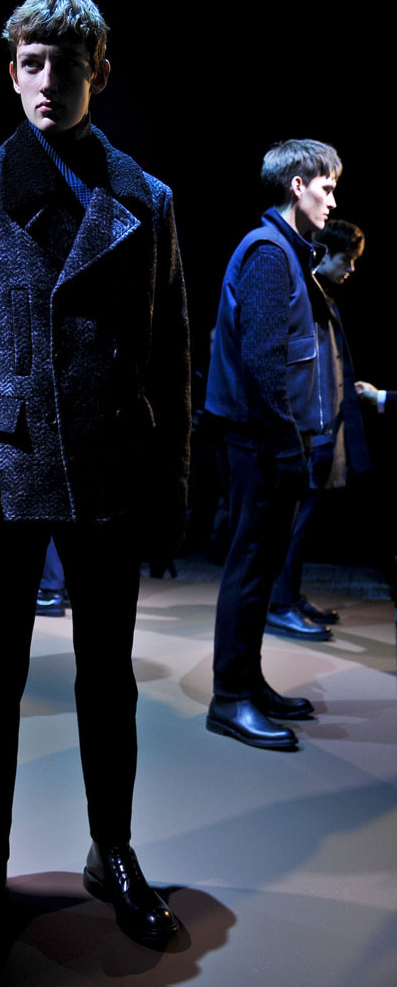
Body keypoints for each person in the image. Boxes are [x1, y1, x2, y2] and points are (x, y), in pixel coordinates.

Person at [0, 0, 190, 951]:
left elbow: (171, 357)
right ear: (11, 71)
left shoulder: (147, 197)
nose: (46, 81)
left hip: (110, 469)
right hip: (7, 472)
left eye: (65, 64)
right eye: (30, 63)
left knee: (108, 679)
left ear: (99, 74)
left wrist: (170, 489)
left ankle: (110, 850)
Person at [205, 138, 342, 750]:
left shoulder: (284, 251)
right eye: (327, 187)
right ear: (297, 184)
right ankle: (229, 698)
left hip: (269, 438)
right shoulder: (268, 252)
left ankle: (247, 684)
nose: (332, 201)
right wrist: (287, 443)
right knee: (250, 565)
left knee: (260, 568)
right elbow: (263, 363)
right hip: (260, 440)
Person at [266, 220, 370, 638]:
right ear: (324, 254)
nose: (351, 269)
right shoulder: (306, 296)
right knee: (293, 523)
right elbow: (303, 371)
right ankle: (280, 603)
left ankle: (289, 596)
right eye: (347, 259)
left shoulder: (322, 297)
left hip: (324, 430)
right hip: (310, 431)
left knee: (303, 522)